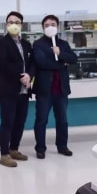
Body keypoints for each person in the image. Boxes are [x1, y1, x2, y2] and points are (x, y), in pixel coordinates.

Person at [32, 14, 78, 159]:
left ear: (58, 27)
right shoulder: (38, 44)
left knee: (62, 119)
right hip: (44, 89)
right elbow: (41, 62)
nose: (49, 27)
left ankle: (62, 146)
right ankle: (40, 148)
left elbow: (73, 59)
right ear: (42, 28)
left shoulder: (63, 44)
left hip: (61, 89)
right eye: (46, 25)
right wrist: (60, 64)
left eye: (52, 24)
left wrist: (61, 53)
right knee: (41, 120)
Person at [0, 11, 34, 168]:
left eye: (16, 22)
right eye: (10, 22)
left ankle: (14, 149)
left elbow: (32, 63)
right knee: (7, 122)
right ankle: (4, 155)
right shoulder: (1, 43)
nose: (13, 25)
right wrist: (21, 76)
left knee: (20, 122)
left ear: (21, 25)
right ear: (6, 25)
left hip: (24, 90)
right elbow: (4, 65)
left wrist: (29, 76)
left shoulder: (26, 44)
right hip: (8, 89)